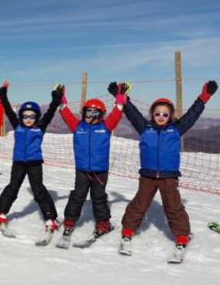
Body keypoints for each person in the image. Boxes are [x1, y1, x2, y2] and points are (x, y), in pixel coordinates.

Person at [117, 80, 217, 253]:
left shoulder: (177, 129)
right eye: (157, 114)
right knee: (139, 204)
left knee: (173, 206)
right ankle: (128, 229)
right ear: (152, 115)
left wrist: (204, 97)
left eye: (165, 114)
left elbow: (192, 114)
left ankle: (182, 234)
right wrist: (123, 99)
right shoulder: (144, 128)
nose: (161, 117)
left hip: (169, 177)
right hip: (147, 176)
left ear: (170, 115)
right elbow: (132, 114)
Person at [56, 84, 126, 246]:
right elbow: (66, 114)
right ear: (84, 113)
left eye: (95, 113)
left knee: (99, 198)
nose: (91, 116)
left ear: (101, 115)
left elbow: (117, 113)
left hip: (100, 171)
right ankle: (69, 222)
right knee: (77, 196)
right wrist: (62, 100)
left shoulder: (106, 127)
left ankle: (103, 224)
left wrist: (120, 100)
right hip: (82, 170)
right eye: (88, 112)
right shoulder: (78, 126)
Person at [0, 82, 61, 234]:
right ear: (20, 117)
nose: (28, 119)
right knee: (13, 187)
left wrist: (56, 99)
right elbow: (8, 110)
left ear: (37, 117)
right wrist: (3, 95)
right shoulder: (17, 125)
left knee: (38, 190)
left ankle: (50, 218)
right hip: (18, 163)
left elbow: (50, 112)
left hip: (35, 163)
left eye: (32, 117)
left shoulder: (40, 127)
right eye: (25, 116)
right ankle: (1, 213)